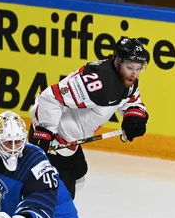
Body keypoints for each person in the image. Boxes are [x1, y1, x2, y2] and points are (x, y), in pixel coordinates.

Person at [28, 37, 150, 199]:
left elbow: (131, 100)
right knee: (56, 195)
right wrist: (44, 134)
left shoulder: (127, 79)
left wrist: (134, 117)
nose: (134, 74)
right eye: (130, 67)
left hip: (69, 141)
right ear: (117, 61)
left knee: (79, 175)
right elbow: (50, 98)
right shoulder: (97, 83)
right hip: (54, 139)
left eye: (138, 68)